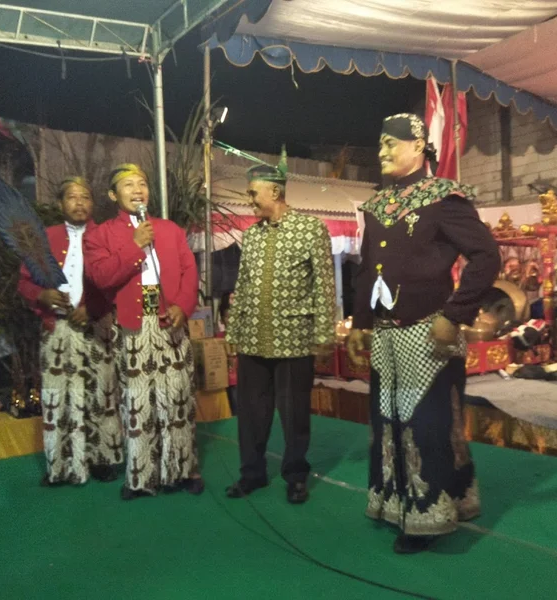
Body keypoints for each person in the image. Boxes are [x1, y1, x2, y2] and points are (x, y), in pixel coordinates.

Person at [346, 113, 500, 554]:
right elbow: (364, 270)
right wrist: (360, 323)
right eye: (379, 145)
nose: (382, 153)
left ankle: (429, 515)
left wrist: (455, 314)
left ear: (418, 145)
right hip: (386, 334)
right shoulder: (376, 206)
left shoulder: (443, 198)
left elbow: (486, 256)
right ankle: (397, 502)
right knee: (389, 422)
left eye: (390, 144)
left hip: (429, 331)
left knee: (429, 425)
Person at [84, 164, 202, 500]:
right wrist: (135, 245)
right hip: (133, 323)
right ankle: (141, 478)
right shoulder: (101, 235)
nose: (138, 190)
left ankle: (179, 471)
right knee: (138, 401)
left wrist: (183, 304)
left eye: (142, 184)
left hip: (170, 320)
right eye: (128, 185)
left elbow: (188, 269)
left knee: (177, 397)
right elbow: (102, 277)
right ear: (112, 195)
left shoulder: (170, 229)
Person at [225, 151, 335, 505]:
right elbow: (242, 286)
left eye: (253, 193)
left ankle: (295, 475)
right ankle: (252, 473)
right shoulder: (253, 236)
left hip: (295, 340)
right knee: (251, 411)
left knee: (294, 411)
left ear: (274, 192)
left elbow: (324, 285)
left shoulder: (311, 228)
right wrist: (233, 334)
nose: (250, 200)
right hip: (253, 340)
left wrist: (323, 335)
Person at [18, 176, 123, 487]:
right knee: (59, 395)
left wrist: (92, 308)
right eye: (72, 197)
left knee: (100, 392)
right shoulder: (44, 238)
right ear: (60, 204)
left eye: (85, 197)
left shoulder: (106, 236)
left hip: (97, 327)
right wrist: (41, 296)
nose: (79, 203)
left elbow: (119, 280)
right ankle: (63, 464)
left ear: (93, 204)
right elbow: (24, 281)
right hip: (58, 329)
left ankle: (102, 458)